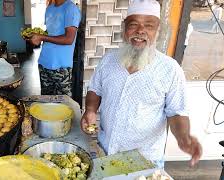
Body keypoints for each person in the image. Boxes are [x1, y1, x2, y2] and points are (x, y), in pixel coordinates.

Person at [80, 0, 202, 168]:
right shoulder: (108, 60)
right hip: (105, 152)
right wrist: (91, 110)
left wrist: (184, 137)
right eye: (134, 24)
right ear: (124, 29)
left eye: (149, 26)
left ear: (158, 31)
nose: (140, 31)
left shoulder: (170, 69)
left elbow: (176, 113)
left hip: (144, 161)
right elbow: (95, 89)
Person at [28, 0, 81, 96]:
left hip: (61, 67)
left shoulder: (71, 8)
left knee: (63, 104)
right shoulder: (49, 8)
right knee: (46, 102)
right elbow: (50, 32)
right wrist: (34, 37)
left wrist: (42, 37)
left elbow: (69, 39)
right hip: (44, 63)